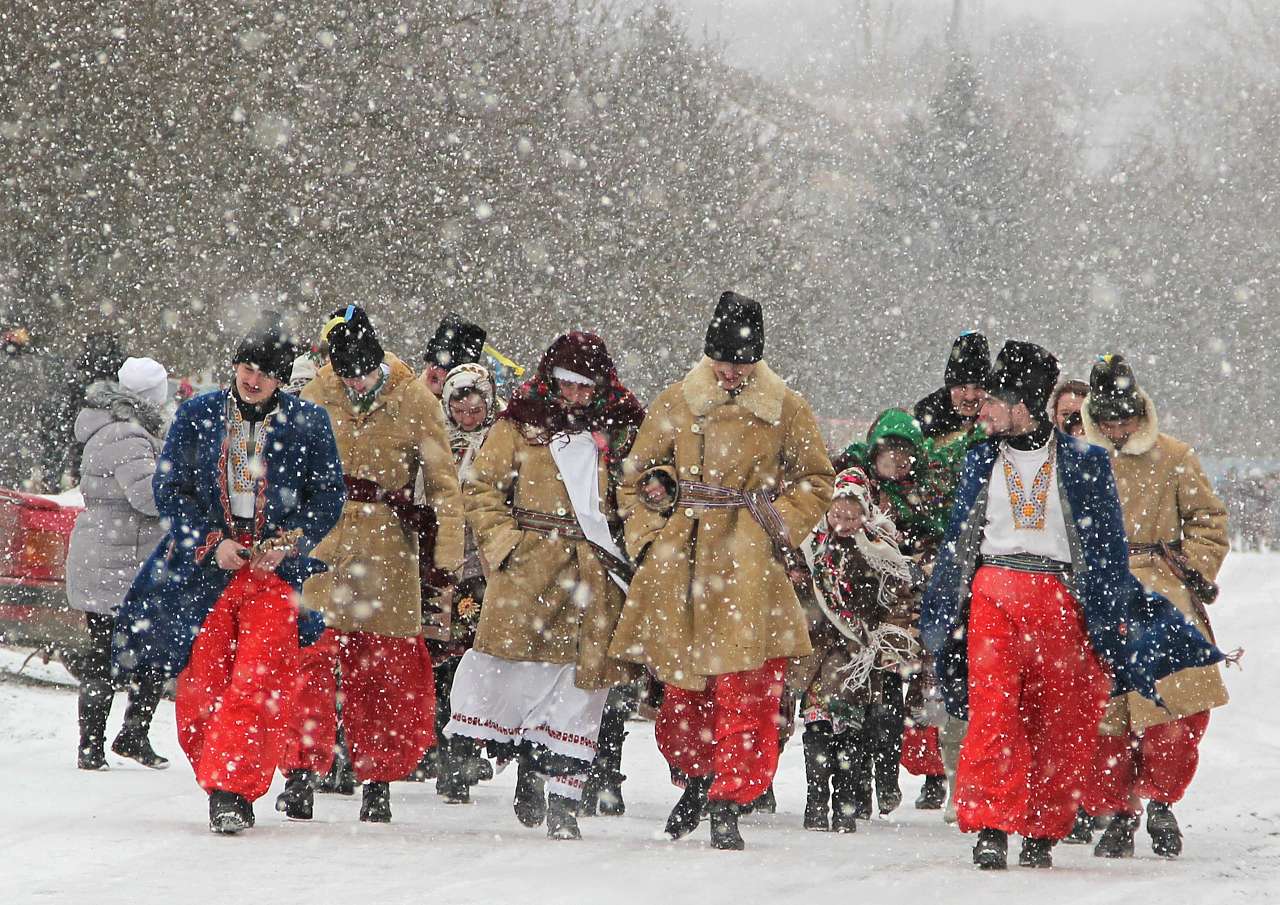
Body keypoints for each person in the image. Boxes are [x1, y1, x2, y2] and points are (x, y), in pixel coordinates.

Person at [922, 339, 1225, 870]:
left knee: (1059, 719)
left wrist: (1110, 618)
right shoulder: (978, 459)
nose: (982, 409)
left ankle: (1043, 824)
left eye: (993, 400)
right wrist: (942, 611)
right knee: (993, 712)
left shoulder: (1084, 463)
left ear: (1021, 404)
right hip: (993, 593)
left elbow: (1105, 547)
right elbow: (957, 541)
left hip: (1061, 596)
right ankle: (991, 823)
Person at [608, 291, 835, 850]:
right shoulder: (677, 401)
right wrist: (650, 537)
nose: (731, 373)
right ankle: (698, 779)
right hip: (681, 561)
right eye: (723, 362)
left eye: (741, 363)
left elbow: (816, 478)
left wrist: (773, 524)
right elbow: (634, 477)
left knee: (748, 689)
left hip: (747, 563)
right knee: (683, 692)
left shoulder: (785, 407)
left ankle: (729, 798)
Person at [113, 313, 346, 834]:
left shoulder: (308, 422)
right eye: (247, 367)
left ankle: (232, 791)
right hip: (207, 576)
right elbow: (169, 489)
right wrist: (211, 542)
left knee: (256, 683)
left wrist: (289, 542)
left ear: (281, 378)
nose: (253, 379)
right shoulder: (198, 415)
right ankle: (219, 774)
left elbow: (328, 495)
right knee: (202, 686)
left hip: (271, 577)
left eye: (266, 371)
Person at [444, 331, 644, 841]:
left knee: (582, 687)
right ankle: (530, 769)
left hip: (595, 572)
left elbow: (639, 494)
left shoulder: (621, 430)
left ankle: (565, 801)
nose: (575, 395)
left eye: (585, 386)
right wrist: (506, 546)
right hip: (529, 571)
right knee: (524, 678)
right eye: (567, 384)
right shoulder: (519, 424)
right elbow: (481, 489)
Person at [276, 305, 464, 825]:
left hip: (387, 549)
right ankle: (300, 773)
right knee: (308, 661)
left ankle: (377, 780)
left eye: (362, 371)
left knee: (384, 672)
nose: (355, 381)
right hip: (321, 544)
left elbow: (444, 485)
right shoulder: (316, 395)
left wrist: (445, 559)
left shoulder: (417, 401)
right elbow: (287, 475)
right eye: (346, 373)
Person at [1080, 354, 1230, 859]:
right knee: (1103, 715)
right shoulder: (1074, 461)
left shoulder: (1174, 456)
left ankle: (1162, 800)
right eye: (1108, 420)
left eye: (1125, 418)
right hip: (1096, 594)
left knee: (1174, 710)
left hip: (1162, 593)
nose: (1117, 429)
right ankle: (1118, 812)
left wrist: (1191, 570)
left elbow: (1209, 521)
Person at [790, 467, 916, 834]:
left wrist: (886, 637)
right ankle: (816, 803)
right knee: (816, 726)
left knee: (850, 732)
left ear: (865, 512)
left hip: (857, 656)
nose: (843, 524)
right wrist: (798, 579)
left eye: (851, 517)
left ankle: (845, 805)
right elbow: (794, 587)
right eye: (837, 515)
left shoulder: (879, 548)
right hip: (816, 653)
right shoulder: (811, 544)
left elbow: (898, 598)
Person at [66, 357, 171, 771]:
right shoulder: (127, 434)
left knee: (130, 651)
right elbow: (148, 497)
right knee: (115, 653)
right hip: (117, 558)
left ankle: (122, 737)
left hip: (118, 555)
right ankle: (102, 743)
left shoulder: (120, 427)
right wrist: (183, 490)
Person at [423, 362, 503, 803]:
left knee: (476, 662)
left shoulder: (501, 440)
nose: (468, 417)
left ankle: (468, 748)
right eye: (460, 408)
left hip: (484, 567)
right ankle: (442, 749)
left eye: (476, 409)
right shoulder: (436, 437)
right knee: (439, 662)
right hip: (442, 563)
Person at [914, 331, 991, 446]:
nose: (970, 397)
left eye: (978, 387)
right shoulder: (921, 421)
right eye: (962, 387)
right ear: (950, 387)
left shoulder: (1001, 423)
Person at [422, 314, 486, 398]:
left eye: (442, 367)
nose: (433, 369)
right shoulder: (410, 394)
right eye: (432, 363)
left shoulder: (473, 402)